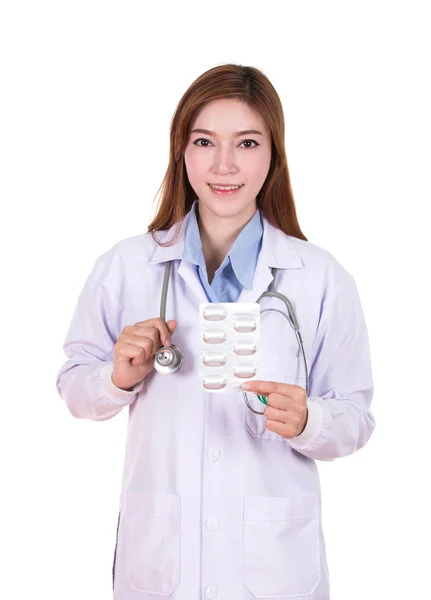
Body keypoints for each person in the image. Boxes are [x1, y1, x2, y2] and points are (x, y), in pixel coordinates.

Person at [56, 63, 375, 600]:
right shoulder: (127, 266)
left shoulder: (321, 278)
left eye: (247, 143)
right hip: (160, 563)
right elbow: (73, 388)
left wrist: (308, 419)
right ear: (182, 150)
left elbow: (356, 418)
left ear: (273, 154)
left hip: (274, 570)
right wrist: (116, 378)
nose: (224, 164)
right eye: (205, 141)